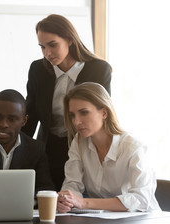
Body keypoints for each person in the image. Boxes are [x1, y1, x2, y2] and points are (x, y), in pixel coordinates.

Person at [22, 14, 112, 191]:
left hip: (84, 146)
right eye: (42, 47)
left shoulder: (98, 69)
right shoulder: (38, 69)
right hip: (48, 148)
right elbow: (30, 115)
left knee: (79, 203)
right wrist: (16, 152)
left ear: (70, 40)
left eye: (53, 45)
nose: (47, 53)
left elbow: (102, 116)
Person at [57, 82, 160, 213]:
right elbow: (72, 184)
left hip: (143, 223)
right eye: (73, 115)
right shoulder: (79, 141)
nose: (76, 121)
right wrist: (66, 200)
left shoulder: (133, 147)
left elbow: (141, 199)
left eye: (84, 112)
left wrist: (83, 202)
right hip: (104, 223)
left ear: (104, 113)